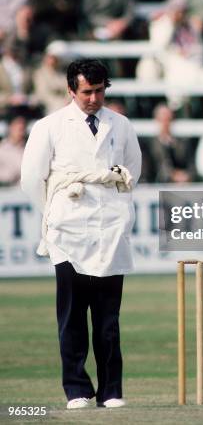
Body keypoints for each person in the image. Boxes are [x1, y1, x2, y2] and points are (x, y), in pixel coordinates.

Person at [21, 59, 142, 410]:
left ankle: (111, 391)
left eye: (99, 91)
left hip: (111, 228)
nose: (93, 98)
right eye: (86, 91)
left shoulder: (121, 125)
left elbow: (133, 169)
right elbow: (32, 179)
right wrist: (55, 213)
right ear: (71, 90)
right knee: (72, 316)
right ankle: (76, 388)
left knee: (108, 319)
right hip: (67, 229)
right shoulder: (50, 126)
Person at [0, 114, 26, 186]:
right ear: (10, 127)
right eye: (18, 129)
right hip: (7, 191)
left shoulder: (28, 149)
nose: (21, 132)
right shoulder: (2, 150)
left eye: (22, 129)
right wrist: (12, 174)